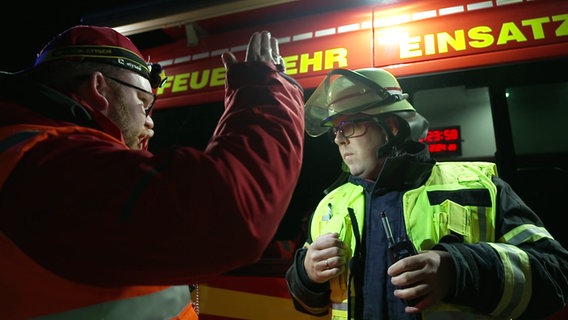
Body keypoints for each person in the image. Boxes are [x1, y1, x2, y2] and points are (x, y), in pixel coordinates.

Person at [0, 25, 305, 319]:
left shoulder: (30, 154)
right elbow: (231, 213)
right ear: (98, 89)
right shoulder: (51, 163)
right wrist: (265, 93)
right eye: (143, 104)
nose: (150, 123)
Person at [285, 67, 568, 319]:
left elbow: (556, 276)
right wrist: (307, 275)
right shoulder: (331, 205)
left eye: (350, 125)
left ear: (391, 128)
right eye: (335, 129)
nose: (338, 138)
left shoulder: (479, 187)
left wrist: (457, 270)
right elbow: (311, 306)